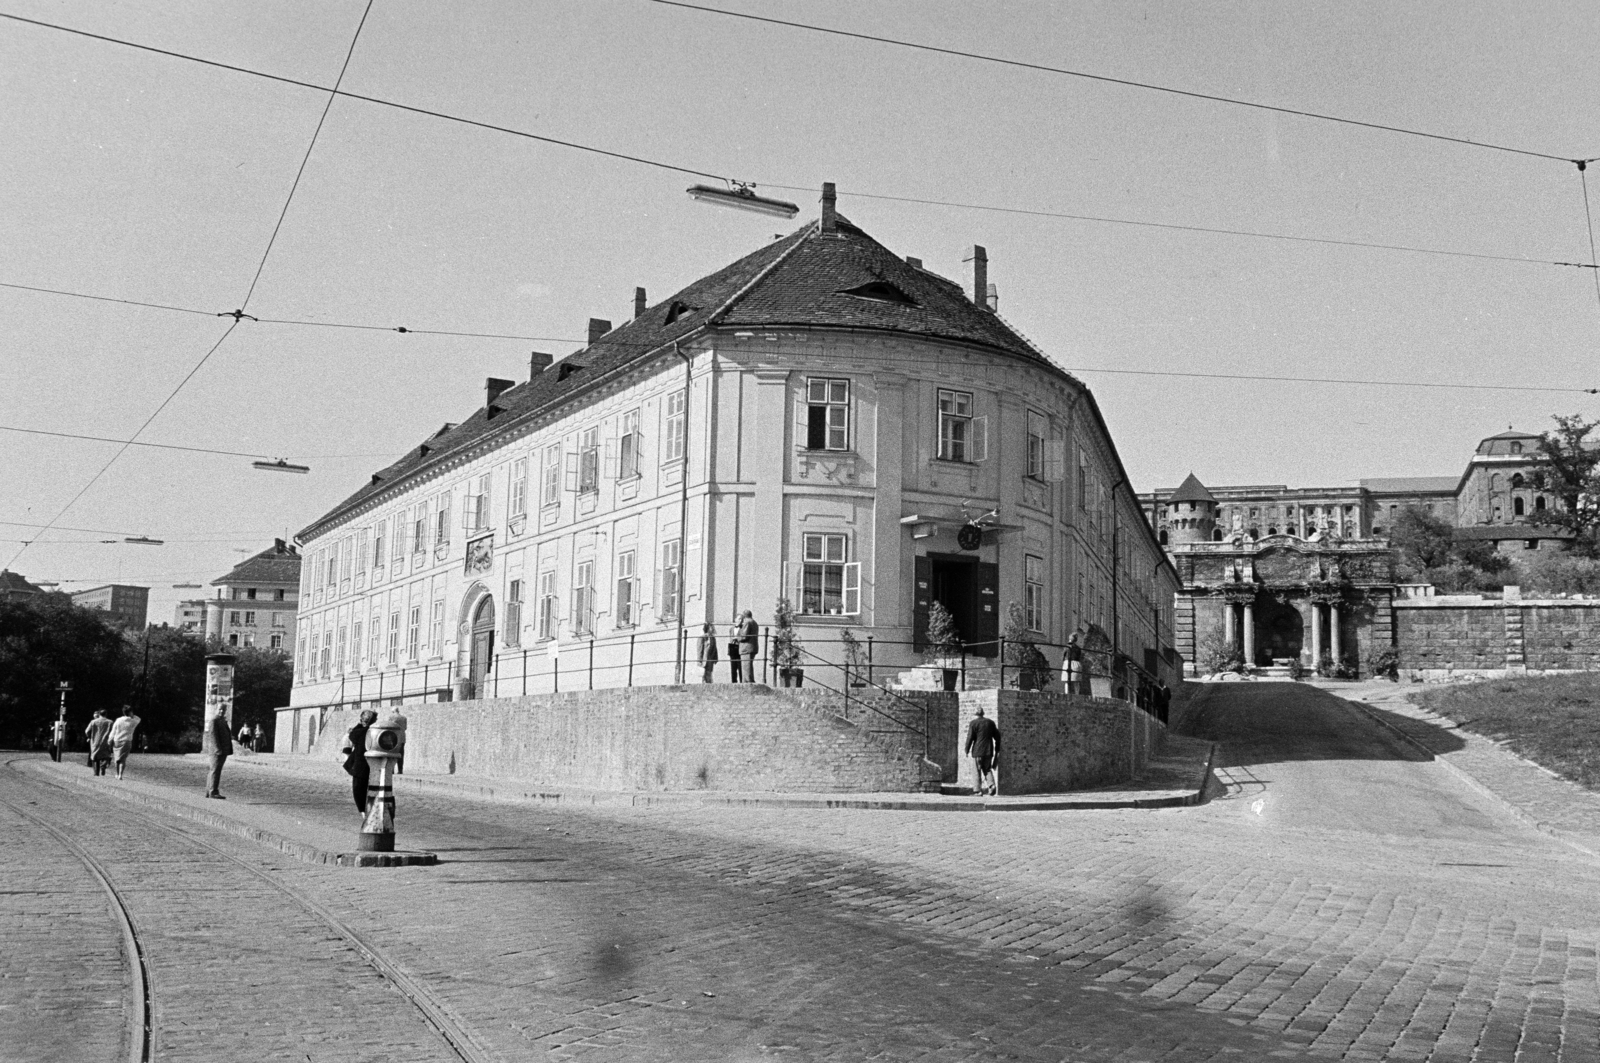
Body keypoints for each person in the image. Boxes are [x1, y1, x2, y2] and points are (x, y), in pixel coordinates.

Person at [342, 710, 378, 813]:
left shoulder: (359, 732)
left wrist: (359, 724)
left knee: (358, 790)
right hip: (373, 765)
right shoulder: (375, 731)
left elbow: (352, 735)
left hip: (360, 766)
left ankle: (363, 811)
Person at [964, 706, 1001, 797]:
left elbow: (970, 738)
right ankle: (991, 785)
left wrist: (966, 750)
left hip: (977, 751)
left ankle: (977, 791)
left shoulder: (973, 723)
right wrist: (997, 749)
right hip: (989, 750)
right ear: (983, 713)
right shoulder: (990, 723)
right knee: (987, 769)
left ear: (975, 714)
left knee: (976, 770)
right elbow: (998, 737)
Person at [202, 710, 233, 799]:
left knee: (215, 770)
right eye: (220, 709)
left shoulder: (222, 720)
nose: (222, 711)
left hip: (222, 750)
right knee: (215, 770)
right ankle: (213, 792)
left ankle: (209, 791)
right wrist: (217, 749)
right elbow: (213, 736)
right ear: (216, 710)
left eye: (223, 709)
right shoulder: (214, 721)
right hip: (217, 751)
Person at [109, 709, 141, 780]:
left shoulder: (118, 720)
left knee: (117, 758)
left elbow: (113, 731)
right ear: (130, 712)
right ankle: (120, 775)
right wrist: (132, 715)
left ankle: (117, 774)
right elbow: (138, 719)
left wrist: (110, 740)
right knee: (123, 759)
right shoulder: (133, 721)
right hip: (127, 741)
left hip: (117, 740)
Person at [85, 709, 114, 776]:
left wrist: (90, 737)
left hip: (95, 741)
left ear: (99, 714)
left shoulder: (93, 722)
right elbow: (113, 732)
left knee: (95, 757)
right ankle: (103, 765)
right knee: (106, 755)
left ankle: (96, 773)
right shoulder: (110, 722)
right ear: (106, 714)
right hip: (106, 742)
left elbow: (87, 731)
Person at [738, 609, 760, 684]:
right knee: (748, 666)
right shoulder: (754, 622)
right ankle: (747, 681)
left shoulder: (747, 622)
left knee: (746, 666)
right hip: (752, 646)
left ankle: (748, 682)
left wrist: (737, 638)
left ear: (744, 616)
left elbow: (744, 636)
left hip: (746, 647)